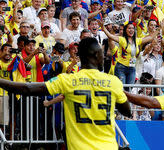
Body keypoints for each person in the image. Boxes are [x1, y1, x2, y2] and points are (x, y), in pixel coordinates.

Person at [0, 37, 131, 149]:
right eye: (102, 53)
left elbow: (27, 89)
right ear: (96, 55)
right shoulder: (113, 82)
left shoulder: (67, 80)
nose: (105, 56)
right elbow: (127, 111)